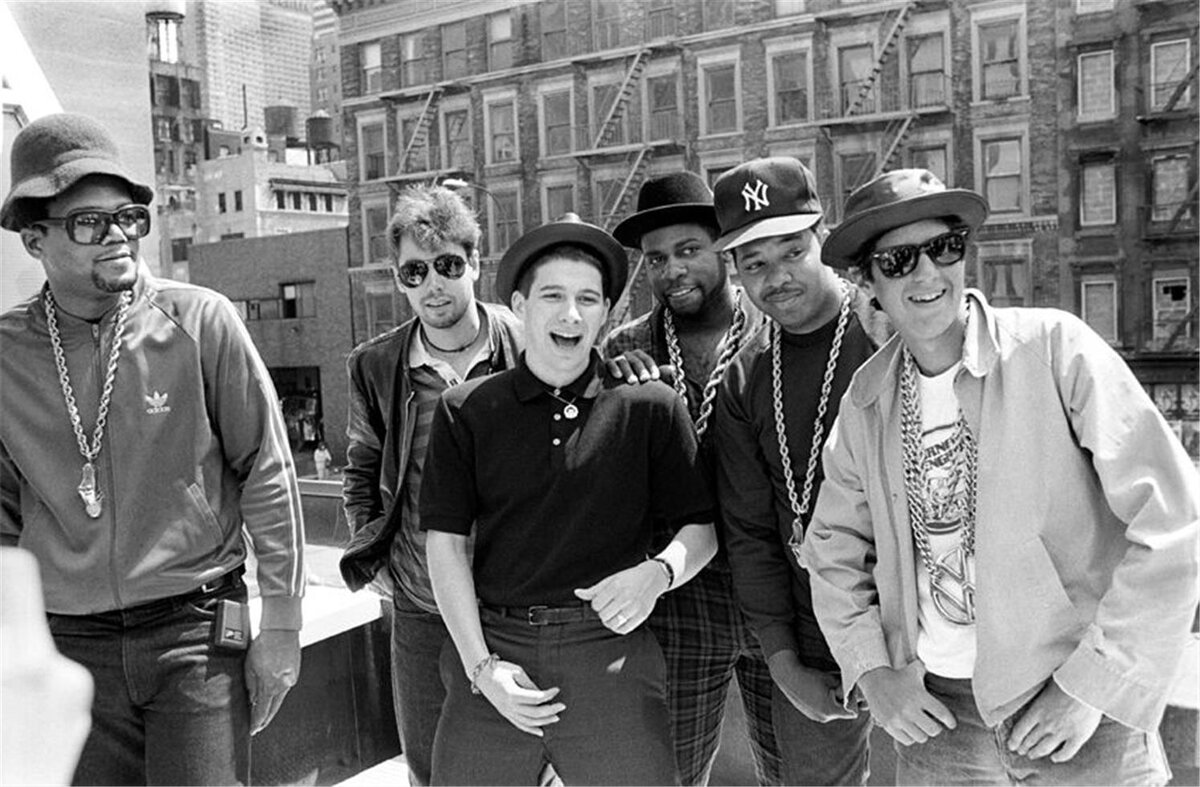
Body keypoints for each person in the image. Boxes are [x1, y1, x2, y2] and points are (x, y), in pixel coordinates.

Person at [800, 168, 1200, 785]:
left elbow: (1172, 521)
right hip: (938, 723)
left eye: (943, 248)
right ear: (868, 282)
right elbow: (831, 549)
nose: (927, 274)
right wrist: (872, 672)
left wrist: (1093, 685)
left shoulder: (1055, 349)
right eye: (899, 260)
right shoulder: (866, 401)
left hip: (1078, 712)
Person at [0, 112, 305, 785]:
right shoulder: (6, 354)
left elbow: (267, 470)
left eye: (128, 216)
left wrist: (282, 624)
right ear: (34, 238)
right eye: (89, 222)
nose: (117, 234)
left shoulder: (200, 320)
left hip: (196, 631)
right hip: (66, 641)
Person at [422, 215, 718, 785]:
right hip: (496, 652)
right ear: (519, 305)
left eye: (587, 299)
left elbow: (700, 530)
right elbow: (446, 546)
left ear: (606, 311)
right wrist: (482, 668)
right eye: (552, 296)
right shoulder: (467, 410)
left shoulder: (649, 406)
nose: (571, 314)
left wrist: (658, 574)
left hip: (610, 654)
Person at [710, 157, 887, 785]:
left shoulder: (889, 331)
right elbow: (751, 531)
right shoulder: (744, 376)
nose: (777, 277)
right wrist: (784, 661)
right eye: (755, 263)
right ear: (736, 272)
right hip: (819, 632)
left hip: (928, 615)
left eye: (792, 251)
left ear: (823, 240)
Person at [338, 184, 523, 787]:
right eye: (414, 272)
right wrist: (377, 559)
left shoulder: (525, 344)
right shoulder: (375, 365)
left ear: (475, 263)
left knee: (528, 763)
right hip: (421, 606)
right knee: (431, 767)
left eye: (447, 265)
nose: (433, 285)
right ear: (399, 280)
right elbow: (361, 468)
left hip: (514, 599)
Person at [602, 172, 781, 786]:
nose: (673, 270)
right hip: (679, 604)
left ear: (723, 249)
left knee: (799, 773)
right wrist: (620, 397)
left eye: (688, 250)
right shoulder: (626, 349)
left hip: (780, 593)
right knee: (668, 776)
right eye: (656, 259)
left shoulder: (776, 328)